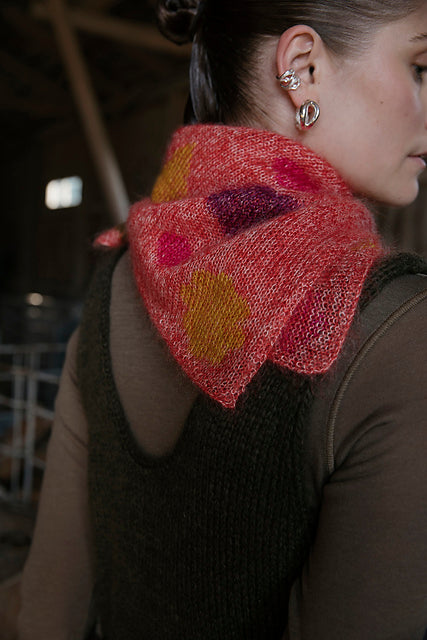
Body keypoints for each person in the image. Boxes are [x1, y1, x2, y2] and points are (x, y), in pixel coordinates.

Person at [18, 0, 427, 638]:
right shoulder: (399, 334)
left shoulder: (117, 279)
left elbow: (46, 613)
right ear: (302, 72)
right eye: (420, 68)